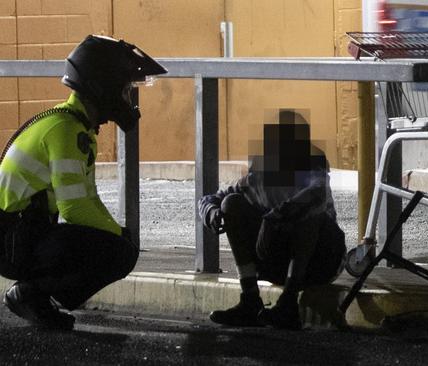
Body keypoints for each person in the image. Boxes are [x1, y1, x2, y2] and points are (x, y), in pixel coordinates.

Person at [0, 35, 167, 330]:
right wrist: (120, 237)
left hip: (19, 234)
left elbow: (89, 198)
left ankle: (34, 295)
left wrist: (119, 235)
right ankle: (30, 294)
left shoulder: (74, 126)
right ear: (103, 87)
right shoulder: (65, 131)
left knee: (118, 247)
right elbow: (75, 208)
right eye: (125, 89)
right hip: (11, 241)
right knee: (116, 251)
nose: (128, 98)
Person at [198, 111, 346, 330]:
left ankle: (288, 303)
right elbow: (213, 198)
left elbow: (315, 195)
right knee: (231, 203)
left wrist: (274, 218)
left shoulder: (314, 169)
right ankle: (250, 300)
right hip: (276, 261)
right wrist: (211, 211)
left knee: (310, 216)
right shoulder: (259, 176)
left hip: (321, 263)